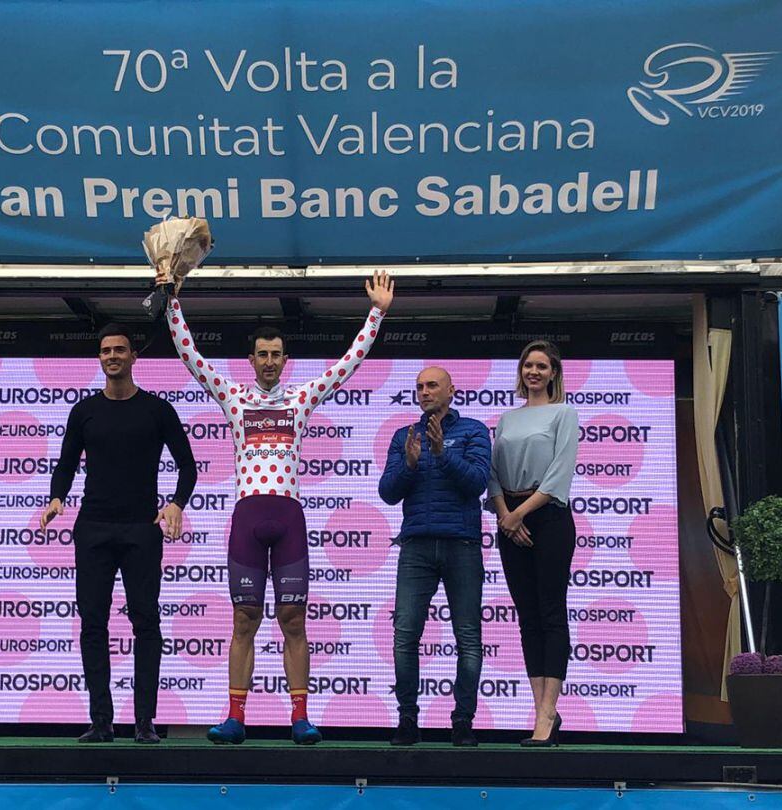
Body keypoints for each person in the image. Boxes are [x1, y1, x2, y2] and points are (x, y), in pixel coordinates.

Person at [161, 270, 394, 745]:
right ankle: (235, 717)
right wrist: (172, 303)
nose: (269, 362)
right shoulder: (234, 396)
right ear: (251, 360)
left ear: (287, 360)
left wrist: (377, 313)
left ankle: (300, 717)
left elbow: (347, 363)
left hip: (287, 516)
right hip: (249, 515)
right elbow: (191, 357)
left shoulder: (301, 396)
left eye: (276, 355)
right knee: (243, 620)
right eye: (262, 355)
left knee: (293, 620)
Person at [41, 323, 198, 745]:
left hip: (141, 529)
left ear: (133, 357)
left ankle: (144, 723)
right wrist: (57, 498)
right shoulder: (84, 411)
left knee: (146, 621)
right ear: (100, 359)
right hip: (92, 528)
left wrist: (176, 503)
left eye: (120, 350)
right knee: (93, 622)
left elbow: (188, 465)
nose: (112, 356)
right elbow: (66, 464)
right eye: (106, 351)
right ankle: (102, 722)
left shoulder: (157, 410)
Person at [378, 367, 491, 746]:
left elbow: (476, 483)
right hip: (416, 547)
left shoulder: (474, 430)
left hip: (462, 545)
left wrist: (442, 454)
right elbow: (388, 493)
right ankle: (407, 719)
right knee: (404, 636)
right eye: (419, 387)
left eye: (432, 386)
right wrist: (409, 464)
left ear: (451, 390)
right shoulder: (403, 436)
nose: (424, 392)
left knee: (468, 637)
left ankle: (463, 722)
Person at [486, 340, 579, 747]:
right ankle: (541, 708)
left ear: (553, 373)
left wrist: (519, 515)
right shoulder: (506, 419)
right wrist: (507, 515)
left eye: (542, 366)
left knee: (550, 612)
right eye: (528, 365)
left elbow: (560, 473)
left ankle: (547, 714)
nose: (534, 372)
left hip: (548, 516)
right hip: (510, 517)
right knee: (527, 617)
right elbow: (491, 473)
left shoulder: (564, 414)